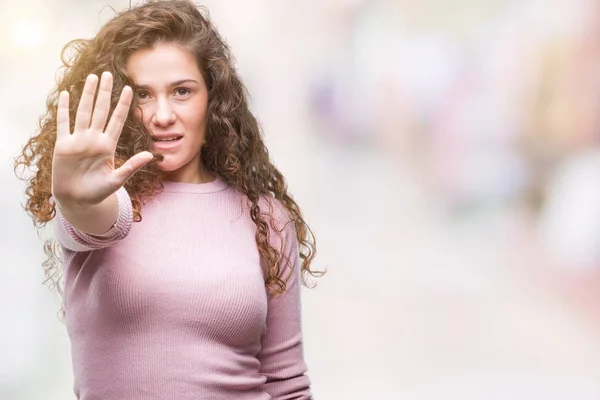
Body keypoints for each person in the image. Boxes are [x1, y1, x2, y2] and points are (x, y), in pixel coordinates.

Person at [14, 1, 322, 399]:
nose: (162, 114)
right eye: (142, 94)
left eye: (182, 91)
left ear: (213, 101)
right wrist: (76, 198)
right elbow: (95, 216)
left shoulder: (265, 217)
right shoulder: (109, 201)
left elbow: (288, 383)